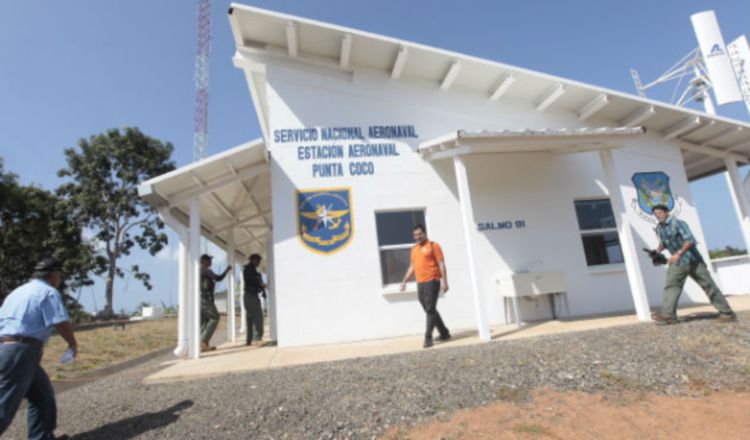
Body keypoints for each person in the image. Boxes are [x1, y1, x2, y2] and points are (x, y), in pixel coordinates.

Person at [0, 257, 78, 440]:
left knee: (42, 395)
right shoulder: (48, 292)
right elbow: (60, 322)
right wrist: (72, 343)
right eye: (59, 276)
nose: (59, 280)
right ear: (53, 276)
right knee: (5, 405)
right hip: (21, 351)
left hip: (8, 348)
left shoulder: (18, 292)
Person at [650, 204, 737, 324]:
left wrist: (679, 253)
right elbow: (665, 242)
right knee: (671, 285)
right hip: (678, 263)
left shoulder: (678, 223)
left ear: (667, 212)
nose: (657, 215)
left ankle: (727, 313)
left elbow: (690, 240)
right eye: (655, 214)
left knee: (708, 286)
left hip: (693, 260)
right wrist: (657, 251)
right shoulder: (660, 228)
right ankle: (669, 315)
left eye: (659, 212)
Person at [399, 224, 451, 348]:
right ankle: (444, 332)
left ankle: (428, 337)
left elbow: (441, 264)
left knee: (430, 309)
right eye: (415, 235)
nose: (417, 237)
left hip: (432, 280)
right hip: (420, 282)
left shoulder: (434, 246)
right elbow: (412, 266)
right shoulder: (414, 249)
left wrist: (445, 281)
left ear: (425, 233)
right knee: (430, 309)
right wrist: (404, 280)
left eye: (420, 234)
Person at [199, 254, 230, 352]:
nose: (210, 262)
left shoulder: (200, 270)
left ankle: (203, 345)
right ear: (203, 261)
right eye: (209, 260)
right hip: (205, 299)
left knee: (204, 322)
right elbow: (218, 278)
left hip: (201, 299)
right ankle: (203, 341)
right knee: (215, 317)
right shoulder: (205, 270)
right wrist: (227, 270)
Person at [242, 254, 267, 346]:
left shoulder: (250, 269)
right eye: (258, 260)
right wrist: (261, 285)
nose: (259, 263)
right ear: (253, 260)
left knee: (250, 318)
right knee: (258, 317)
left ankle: (249, 340)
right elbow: (252, 281)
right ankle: (257, 338)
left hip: (248, 296)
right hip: (251, 296)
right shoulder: (250, 269)